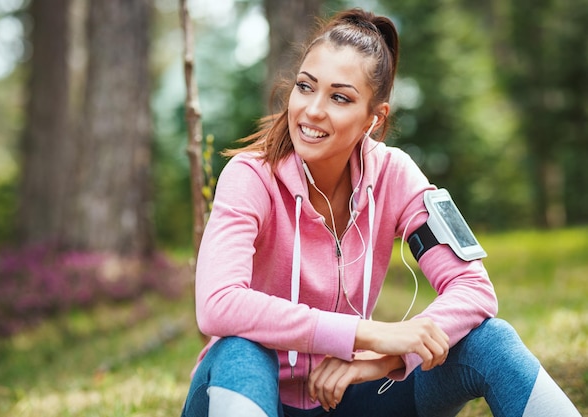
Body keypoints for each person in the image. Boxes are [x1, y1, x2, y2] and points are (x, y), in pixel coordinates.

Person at [180, 8, 581, 417]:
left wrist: (384, 358)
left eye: (339, 97)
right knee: (240, 350)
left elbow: (474, 290)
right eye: (305, 87)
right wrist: (365, 333)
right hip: (249, 392)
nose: (313, 110)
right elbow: (218, 302)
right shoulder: (250, 176)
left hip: (348, 399)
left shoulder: (395, 175)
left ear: (375, 118)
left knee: (489, 341)